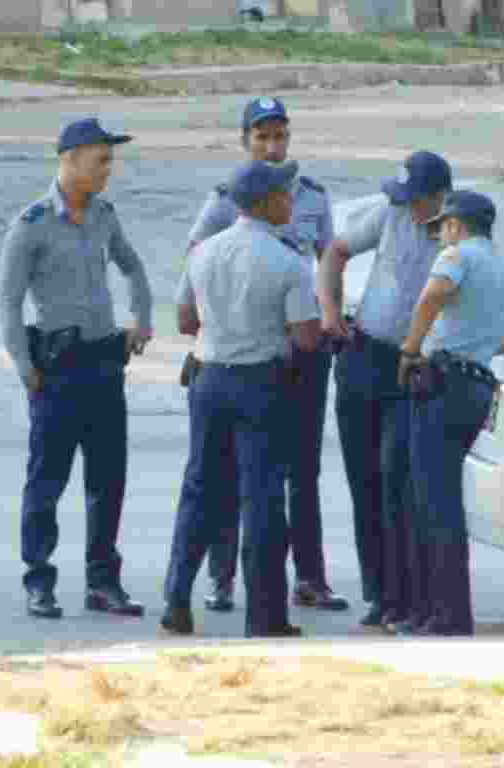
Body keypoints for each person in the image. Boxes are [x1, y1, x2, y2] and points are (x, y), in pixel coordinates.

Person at [183, 95, 348, 614]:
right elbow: (195, 265)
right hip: (249, 353)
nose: (273, 146)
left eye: (280, 136)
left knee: (302, 467)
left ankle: (310, 578)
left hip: (302, 347)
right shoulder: (225, 201)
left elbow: (328, 262)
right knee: (232, 469)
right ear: (245, 142)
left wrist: (331, 317)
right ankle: (222, 577)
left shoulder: (313, 197)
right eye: (262, 137)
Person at [0, 117, 153, 620]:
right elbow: (9, 302)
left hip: (104, 363)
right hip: (57, 369)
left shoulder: (105, 215)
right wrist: (24, 365)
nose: (108, 170)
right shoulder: (32, 224)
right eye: (101, 160)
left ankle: (103, 582)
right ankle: (39, 580)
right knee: (47, 480)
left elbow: (132, 267)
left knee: (108, 479)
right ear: (69, 160)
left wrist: (142, 319)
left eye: (110, 161)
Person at [162, 159, 321, 637]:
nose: (291, 202)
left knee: (199, 490)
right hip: (261, 384)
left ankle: (176, 600)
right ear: (268, 202)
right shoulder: (288, 262)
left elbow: (185, 321)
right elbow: (306, 337)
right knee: (263, 498)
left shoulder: (204, 252)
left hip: (209, 379)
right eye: (285, 195)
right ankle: (265, 615)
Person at [317, 151, 451, 631]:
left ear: (439, 198)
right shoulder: (390, 212)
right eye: (404, 198)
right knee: (365, 482)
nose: (408, 207)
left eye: (416, 200)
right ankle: (378, 593)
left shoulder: (455, 232)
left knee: (397, 480)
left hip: (411, 366)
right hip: (364, 355)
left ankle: (407, 594)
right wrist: (330, 312)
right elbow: (335, 254)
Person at [398, 190, 504, 635]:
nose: (439, 235)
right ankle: (441, 611)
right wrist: (483, 340)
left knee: (434, 504)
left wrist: (410, 349)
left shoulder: (457, 256)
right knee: (443, 498)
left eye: (442, 227)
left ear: (456, 225)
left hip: (443, 382)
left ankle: (446, 614)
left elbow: (432, 296)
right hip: (477, 387)